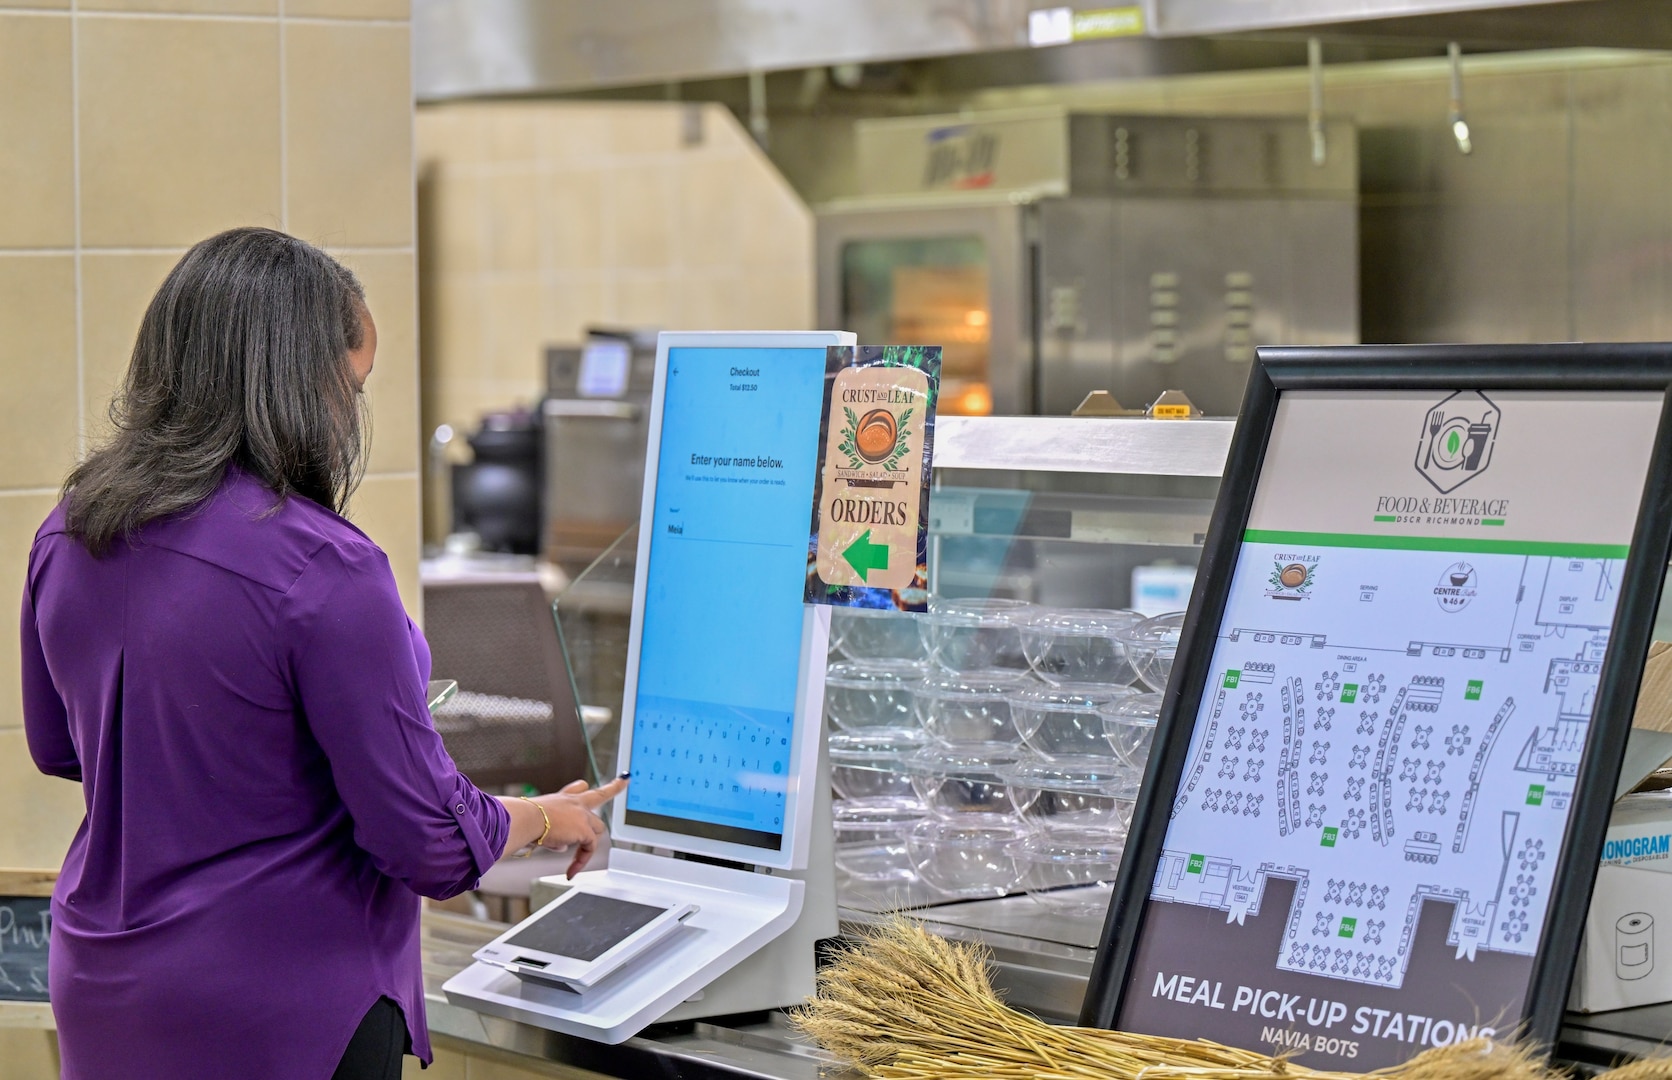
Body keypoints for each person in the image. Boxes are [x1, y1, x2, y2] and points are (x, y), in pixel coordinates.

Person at [18, 227, 627, 1079]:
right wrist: (541, 818)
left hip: (105, 987)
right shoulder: (324, 568)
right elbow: (427, 844)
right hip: (280, 1009)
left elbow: (61, 748)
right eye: (352, 385)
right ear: (296, 386)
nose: (351, 416)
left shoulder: (71, 531)